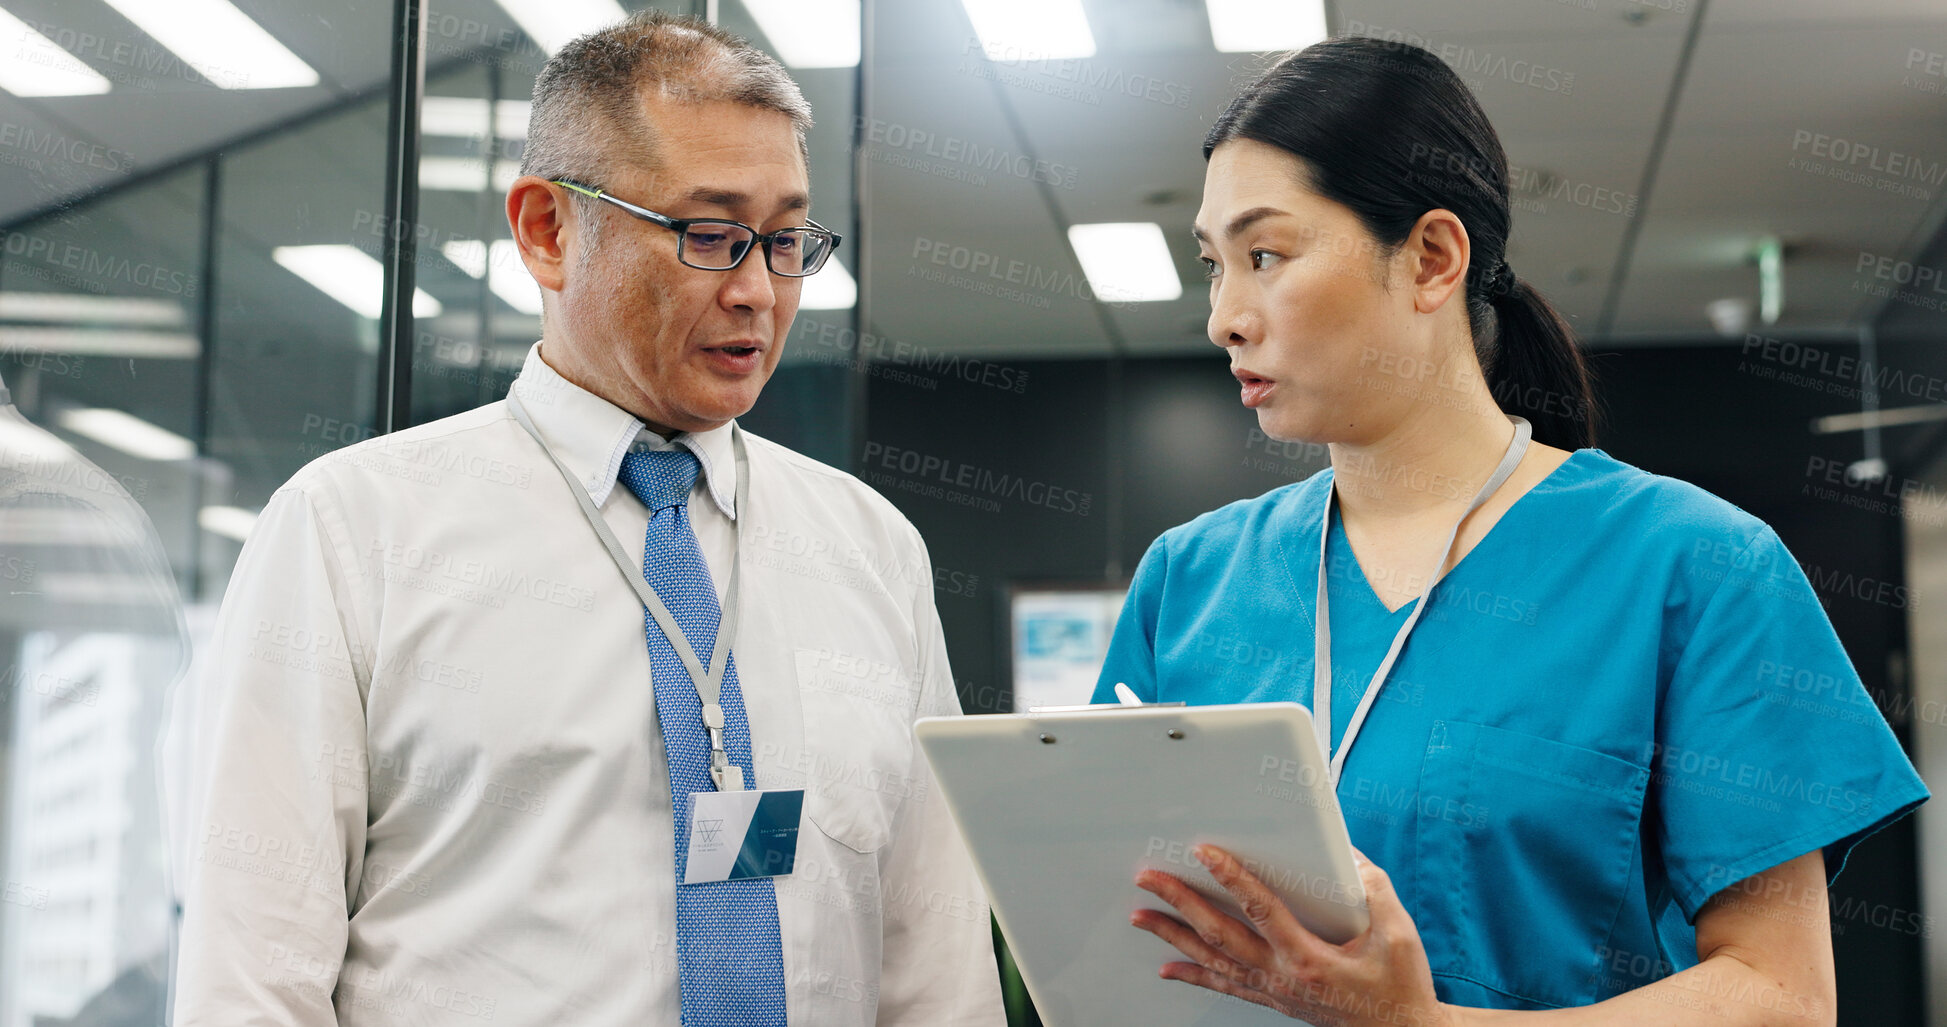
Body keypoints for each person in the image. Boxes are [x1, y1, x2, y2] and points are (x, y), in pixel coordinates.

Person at [171, 12, 1002, 1025]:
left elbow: (938, 961)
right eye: (709, 235)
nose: (757, 292)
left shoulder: (872, 550)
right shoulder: (352, 531)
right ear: (548, 230)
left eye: (786, 241)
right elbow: (253, 972)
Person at [1091, 37, 1927, 1026]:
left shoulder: (1694, 567)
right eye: (1212, 265)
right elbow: (1124, 923)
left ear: (1434, 258)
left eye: (1265, 255)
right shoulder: (1188, 579)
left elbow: (1782, 995)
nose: (1223, 316)